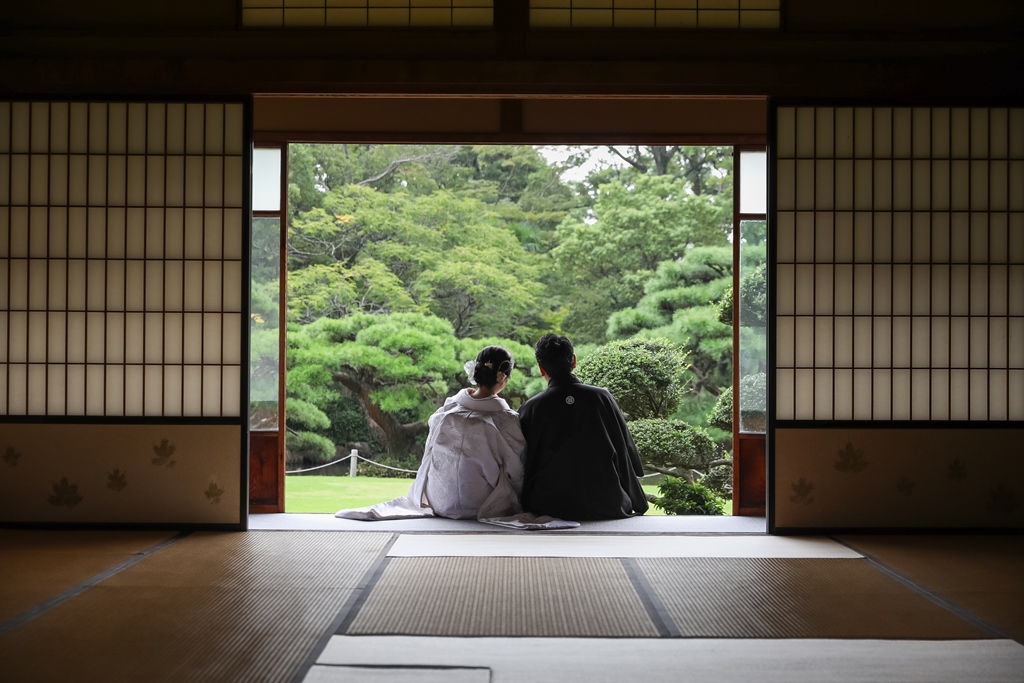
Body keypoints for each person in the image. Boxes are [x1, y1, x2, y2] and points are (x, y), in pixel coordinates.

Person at [336, 345, 525, 521]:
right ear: (503, 378)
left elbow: (430, 454)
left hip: (440, 500)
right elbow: (516, 470)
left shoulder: (448, 410)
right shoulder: (504, 420)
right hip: (482, 504)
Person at [518, 333, 649, 520]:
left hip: (549, 505)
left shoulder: (531, 408)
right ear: (574, 361)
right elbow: (624, 446)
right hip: (607, 502)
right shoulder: (601, 397)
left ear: (541, 368)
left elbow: (522, 462)